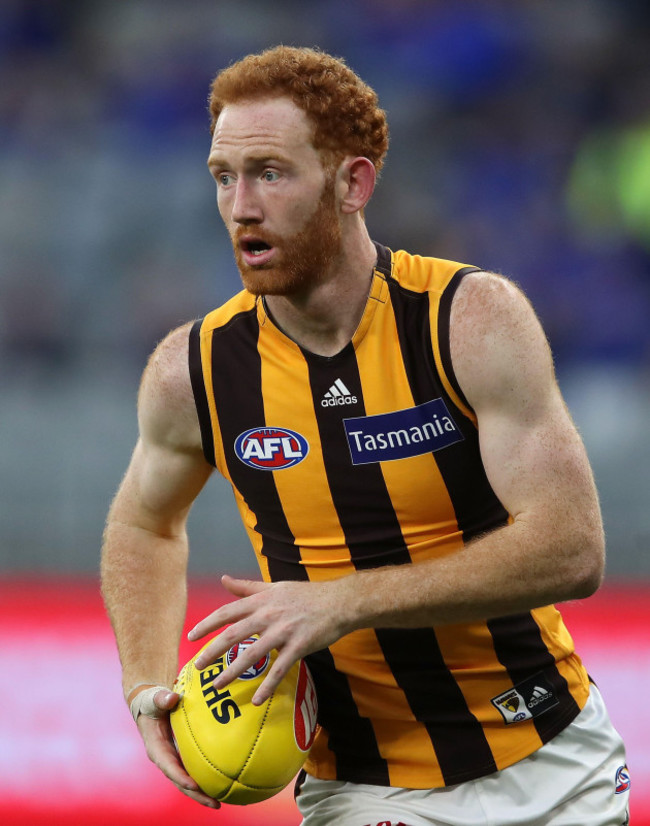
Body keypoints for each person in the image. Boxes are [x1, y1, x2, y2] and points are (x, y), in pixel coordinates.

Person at [101, 45, 630, 825]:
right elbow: (143, 522)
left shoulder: (469, 320)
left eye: (271, 173)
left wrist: (343, 603)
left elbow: (572, 547)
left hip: (548, 757)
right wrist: (146, 681)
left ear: (353, 183)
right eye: (223, 176)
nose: (241, 205)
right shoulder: (196, 369)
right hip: (362, 785)